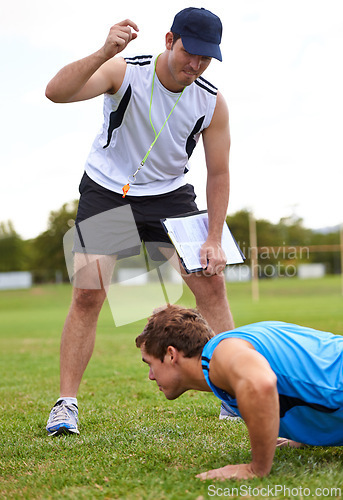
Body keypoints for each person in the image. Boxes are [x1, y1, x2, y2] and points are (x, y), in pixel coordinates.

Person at [45, 7, 234, 436]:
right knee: (88, 294)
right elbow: (56, 93)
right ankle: (66, 404)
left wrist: (215, 238)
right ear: (170, 40)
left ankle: (232, 391)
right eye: (190, 53)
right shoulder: (125, 70)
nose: (196, 65)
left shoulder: (211, 100)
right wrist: (102, 52)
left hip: (171, 195)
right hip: (110, 190)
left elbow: (219, 173)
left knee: (212, 283)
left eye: (207, 58)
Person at [136, 304, 343, 480]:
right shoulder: (230, 346)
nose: (151, 376)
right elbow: (304, 372)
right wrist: (306, 434)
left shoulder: (222, 354)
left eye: (150, 364)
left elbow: (261, 383)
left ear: (171, 355)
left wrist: (256, 469)